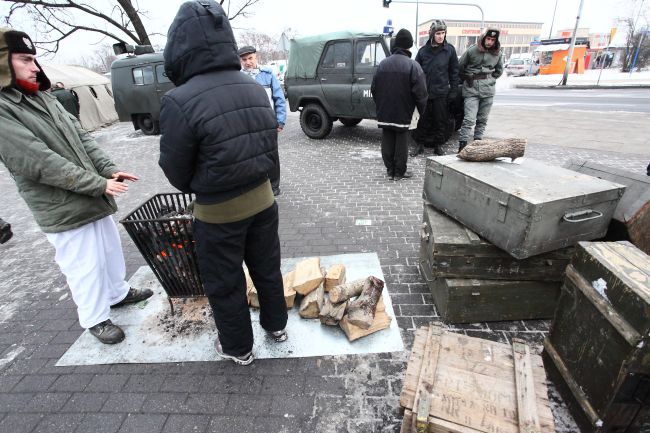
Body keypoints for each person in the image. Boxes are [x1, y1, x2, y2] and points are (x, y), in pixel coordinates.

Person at [0, 27, 152, 344]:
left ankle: (117, 292)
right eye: (25, 59)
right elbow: (38, 161)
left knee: (108, 251)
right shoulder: (4, 108)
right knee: (83, 264)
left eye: (34, 59)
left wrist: (109, 171)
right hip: (60, 205)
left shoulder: (40, 96)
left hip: (89, 193)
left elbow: (82, 139)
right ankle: (95, 318)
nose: (34, 67)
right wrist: (97, 184)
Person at [159, 1, 288, 366]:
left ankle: (237, 347)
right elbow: (269, 145)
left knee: (225, 281)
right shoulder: (252, 87)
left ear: (179, 48)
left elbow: (177, 172)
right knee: (266, 267)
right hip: (264, 202)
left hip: (218, 213)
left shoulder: (179, 100)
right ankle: (277, 326)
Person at [371, 29, 427, 181]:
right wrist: (421, 110)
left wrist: (381, 106)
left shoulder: (382, 64)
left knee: (387, 138)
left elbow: (374, 89)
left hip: (385, 111)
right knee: (401, 141)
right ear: (408, 46)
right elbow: (421, 93)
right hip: (404, 112)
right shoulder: (413, 66)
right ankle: (399, 173)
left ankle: (390, 170)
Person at [238, 45, 286, 197]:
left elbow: (279, 98)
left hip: (267, 124)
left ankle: (274, 185)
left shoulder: (267, 75)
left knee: (271, 155)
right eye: (244, 59)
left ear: (256, 57)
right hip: (248, 126)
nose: (248, 62)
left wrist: (280, 121)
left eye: (250, 58)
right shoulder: (238, 78)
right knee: (251, 155)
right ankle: (257, 184)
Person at [411, 19, 459, 157]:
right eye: (438, 33)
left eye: (443, 33)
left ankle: (438, 145)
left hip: (441, 93)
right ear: (432, 34)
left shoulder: (449, 50)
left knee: (440, 120)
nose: (441, 36)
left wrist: (453, 90)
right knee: (422, 120)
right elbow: (416, 71)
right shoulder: (423, 51)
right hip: (425, 93)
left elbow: (454, 72)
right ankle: (419, 145)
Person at [457, 28, 504, 152]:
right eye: (488, 39)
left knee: (483, 119)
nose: (489, 42)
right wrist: (467, 78)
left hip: (488, 90)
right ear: (483, 38)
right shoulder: (472, 50)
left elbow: (499, 71)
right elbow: (460, 66)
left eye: (492, 40)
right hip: (471, 88)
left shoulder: (497, 53)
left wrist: (489, 79)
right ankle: (462, 146)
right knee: (469, 119)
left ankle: (478, 144)